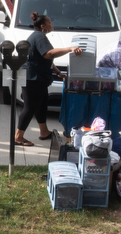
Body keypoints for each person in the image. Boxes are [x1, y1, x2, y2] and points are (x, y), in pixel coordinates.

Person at [14, 13, 84, 146]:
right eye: (50, 22)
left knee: (42, 103)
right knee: (29, 107)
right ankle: (18, 137)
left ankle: (44, 131)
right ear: (43, 26)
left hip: (37, 77)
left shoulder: (39, 36)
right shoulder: (39, 36)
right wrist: (69, 48)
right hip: (32, 78)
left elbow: (44, 58)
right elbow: (48, 54)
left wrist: (58, 72)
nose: (52, 24)